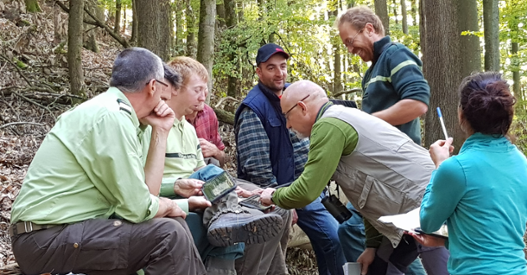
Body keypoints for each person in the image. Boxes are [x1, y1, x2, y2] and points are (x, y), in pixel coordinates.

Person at [9, 47, 206, 275]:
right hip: (44, 239)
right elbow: (138, 207)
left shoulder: (122, 116)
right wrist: (170, 204)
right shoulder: (111, 117)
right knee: (169, 235)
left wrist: (161, 131)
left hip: (61, 233)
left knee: (172, 227)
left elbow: (145, 196)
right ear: (152, 86)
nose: (164, 106)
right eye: (163, 98)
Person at [259, 80, 435, 275]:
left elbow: (306, 191)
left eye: (287, 116)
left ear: (302, 107)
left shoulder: (328, 125)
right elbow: (370, 190)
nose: (288, 124)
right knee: (379, 267)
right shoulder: (342, 116)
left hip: (427, 207)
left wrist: (273, 196)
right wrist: (372, 246)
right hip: (417, 203)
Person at [336, 6, 448, 275]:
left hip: (398, 171)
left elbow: (418, 102)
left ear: (370, 29)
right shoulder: (372, 71)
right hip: (377, 171)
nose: (350, 49)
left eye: (350, 41)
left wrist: (368, 123)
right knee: (386, 247)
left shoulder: (395, 54)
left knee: (355, 228)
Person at [154, 56, 292, 275]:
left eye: (205, 90)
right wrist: (186, 185)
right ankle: (229, 238)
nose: (204, 96)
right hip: (177, 196)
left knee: (278, 207)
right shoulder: (153, 125)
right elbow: (144, 183)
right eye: (198, 89)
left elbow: (203, 170)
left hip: (205, 189)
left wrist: (230, 188)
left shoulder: (187, 129)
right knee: (238, 207)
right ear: (175, 89)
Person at [234, 44, 346, 275]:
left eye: (283, 67)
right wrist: (282, 202)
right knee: (334, 239)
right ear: (259, 72)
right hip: (278, 192)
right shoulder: (253, 109)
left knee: (339, 238)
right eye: (271, 68)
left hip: (308, 187)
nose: (279, 73)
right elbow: (256, 168)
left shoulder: (295, 96)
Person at [411, 72, 527, 275]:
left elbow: (428, 222)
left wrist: (440, 165)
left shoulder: (455, 169)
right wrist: (449, 240)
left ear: (461, 115)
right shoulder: (522, 163)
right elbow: (496, 231)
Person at [186, 102, 228, 167]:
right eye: (196, 91)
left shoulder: (208, 113)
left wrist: (215, 151)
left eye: (204, 91)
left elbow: (222, 161)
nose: (202, 97)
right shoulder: (172, 118)